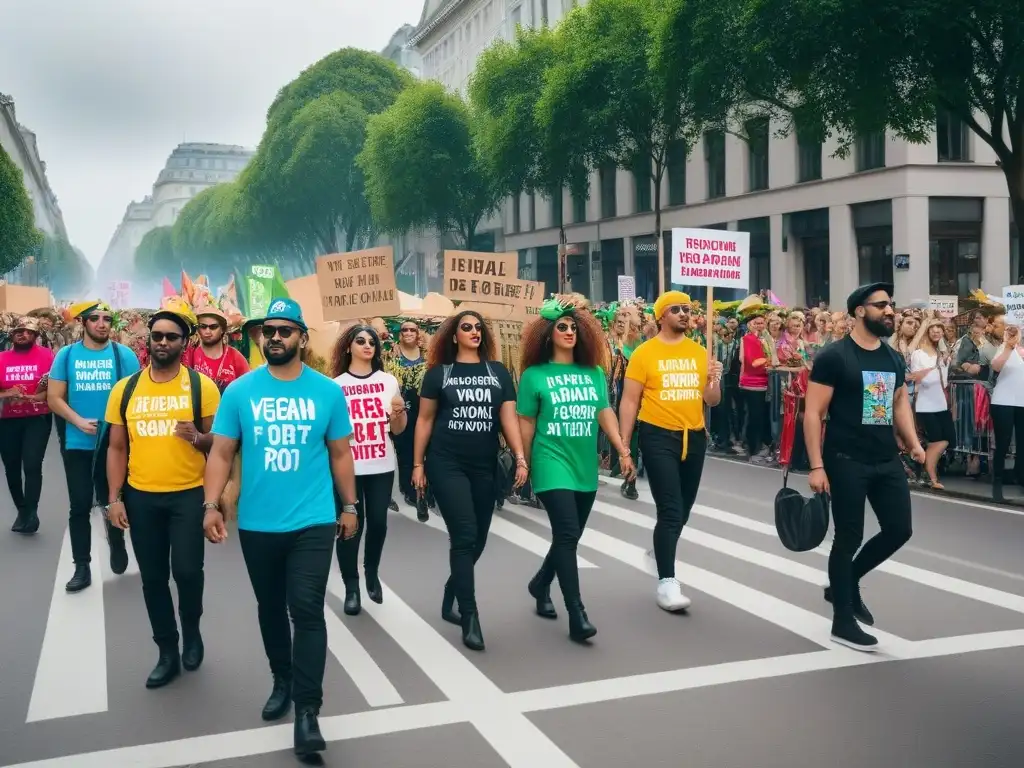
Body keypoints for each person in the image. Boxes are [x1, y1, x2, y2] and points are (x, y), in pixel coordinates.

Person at [202, 298, 357, 760]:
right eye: (267, 330)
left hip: (313, 520)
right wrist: (210, 505)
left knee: (306, 608)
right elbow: (222, 452)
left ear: (302, 338)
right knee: (270, 607)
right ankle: (282, 679)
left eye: (284, 330)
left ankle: (308, 711)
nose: (274, 337)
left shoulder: (328, 392)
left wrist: (349, 506)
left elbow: (340, 454)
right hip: (257, 522)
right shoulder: (240, 392)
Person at [104, 302, 221, 688]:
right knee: (153, 578)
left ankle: (193, 632)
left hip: (189, 496)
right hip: (142, 497)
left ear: (184, 343)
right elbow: (117, 448)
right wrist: (115, 497)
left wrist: (198, 438)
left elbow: (218, 445)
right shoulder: (126, 389)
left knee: (188, 572)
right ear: (149, 341)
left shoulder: (201, 387)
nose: (163, 342)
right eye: (157, 336)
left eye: (172, 337)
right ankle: (166, 650)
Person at [804, 282, 924, 652]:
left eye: (892, 305)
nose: (891, 311)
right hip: (845, 460)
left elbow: (899, 401)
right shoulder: (834, 356)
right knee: (848, 537)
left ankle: (844, 581)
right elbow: (813, 412)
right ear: (859, 311)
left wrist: (914, 442)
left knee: (899, 529)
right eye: (882, 305)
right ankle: (842, 621)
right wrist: (816, 465)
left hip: (886, 458)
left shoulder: (891, 357)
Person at [517, 298, 635, 642]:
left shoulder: (594, 372)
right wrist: (523, 462)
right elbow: (526, 422)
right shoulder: (534, 375)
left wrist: (622, 450)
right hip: (550, 461)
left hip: (584, 465)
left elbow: (605, 412)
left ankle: (540, 583)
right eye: (562, 326)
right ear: (547, 334)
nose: (569, 332)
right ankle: (576, 612)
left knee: (569, 536)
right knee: (568, 532)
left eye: (574, 327)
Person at [411, 310, 528, 651]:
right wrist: (418, 464)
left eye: (479, 327)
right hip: (447, 464)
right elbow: (424, 422)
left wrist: (520, 457)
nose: (474, 332)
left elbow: (508, 418)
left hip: (484, 466)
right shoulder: (439, 374)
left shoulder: (498, 372)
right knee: (463, 536)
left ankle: (452, 590)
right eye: (467, 327)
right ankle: (470, 615)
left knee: (478, 540)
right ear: (453, 335)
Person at [617, 291, 723, 611]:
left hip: (694, 436)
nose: (683, 314)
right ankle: (668, 583)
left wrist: (713, 381)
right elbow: (629, 400)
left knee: (683, 511)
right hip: (657, 436)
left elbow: (712, 401)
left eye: (687, 309)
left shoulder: (700, 352)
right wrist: (624, 447)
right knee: (671, 509)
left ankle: (659, 550)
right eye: (676, 309)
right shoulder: (644, 353)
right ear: (662, 315)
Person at [48, 300, 140, 591]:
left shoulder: (123, 355)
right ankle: (82, 567)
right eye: (95, 319)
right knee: (79, 505)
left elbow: (136, 399)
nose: (102, 324)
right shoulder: (66, 356)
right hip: (78, 443)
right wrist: (77, 421)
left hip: (115, 444)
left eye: (107, 319)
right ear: (83, 323)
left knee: (113, 499)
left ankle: (117, 542)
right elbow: (54, 397)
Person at [331, 324, 406, 615]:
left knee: (378, 522)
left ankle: (371, 571)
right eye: (360, 340)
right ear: (348, 346)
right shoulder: (335, 386)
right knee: (349, 526)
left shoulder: (389, 382)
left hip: (381, 463)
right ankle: (352, 586)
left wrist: (398, 414)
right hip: (347, 465)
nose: (367, 345)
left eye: (372, 341)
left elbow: (397, 430)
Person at [0, 316, 54, 535]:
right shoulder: (2, 358)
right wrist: (7, 393)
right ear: (12, 335)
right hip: (7, 421)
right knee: (12, 468)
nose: (24, 335)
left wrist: (39, 396)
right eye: (19, 331)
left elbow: (57, 385)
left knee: (32, 464)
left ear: (36, 336)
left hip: (37, 419)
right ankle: (22, 510)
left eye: (29, 332)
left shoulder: (48, 356)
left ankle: (31, 513)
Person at [388, 320, 428, 518]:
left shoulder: (428, 357)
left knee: (424, 453)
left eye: (413, 329)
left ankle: (423, 491)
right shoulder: (391, 358)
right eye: (405, 329)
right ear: (400, 334)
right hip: (400, 413)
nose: (409, 332)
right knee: (404, 453)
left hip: (425, 412)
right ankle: (409, 491)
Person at [184, 306, 250, 392]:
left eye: (213, 327)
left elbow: (247, 389)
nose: (207, 331)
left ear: (222, 329)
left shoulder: (236, 357)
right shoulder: (189, 354)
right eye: (203, 326)